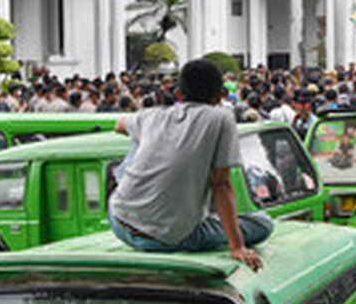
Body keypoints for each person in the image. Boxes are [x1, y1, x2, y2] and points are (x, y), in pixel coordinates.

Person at [107, 59, 273, 268]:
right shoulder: (221, 119)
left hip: (119, 219)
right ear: (221, 95)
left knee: (139, 138)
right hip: (165, 239)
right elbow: (221, 185)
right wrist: (237, 246)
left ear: (178, 94)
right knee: (263, 224)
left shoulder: (152, 116)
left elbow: (119, 124)